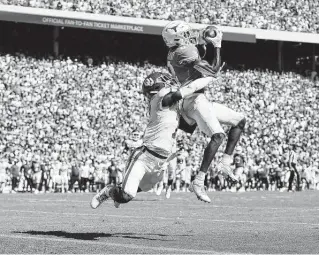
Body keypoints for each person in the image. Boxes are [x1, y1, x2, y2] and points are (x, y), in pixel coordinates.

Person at [91, 71, 217, 209]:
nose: (170, 84)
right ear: (157, 89)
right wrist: (210, 77)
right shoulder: (160, 100)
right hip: (145, 156)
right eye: (166, 83)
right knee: (126, 196)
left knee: (143, 188)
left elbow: (190, 124)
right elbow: (188, 89)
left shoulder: (171, 106)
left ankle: (119, 190)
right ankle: (109, 191)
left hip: (162, 161)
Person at [162, 20, 246, 202]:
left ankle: (225, 163)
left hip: (197, 98)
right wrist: (217, 45)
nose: (189, 36)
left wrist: (202, 36)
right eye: (185, 34)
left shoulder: (177, 50)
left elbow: (193, 43)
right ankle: (199, 181)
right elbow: (213, 70)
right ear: (177, 39)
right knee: (218, 136)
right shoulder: (184, 51)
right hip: (193, 100)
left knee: (239, 120)